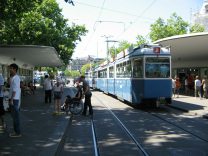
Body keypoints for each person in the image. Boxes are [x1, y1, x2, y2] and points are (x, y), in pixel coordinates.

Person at [8, 63, 21, 137]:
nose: (10, 69)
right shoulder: (14, 77)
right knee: (14, 116)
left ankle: (17, 133)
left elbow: (15, 90)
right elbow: (11, 86)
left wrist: (11, 99)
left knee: (15, 116)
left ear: (15, 69)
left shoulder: (16, 78)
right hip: (14, 99)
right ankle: (16, 132)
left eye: (11, 68)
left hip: (14, 99)